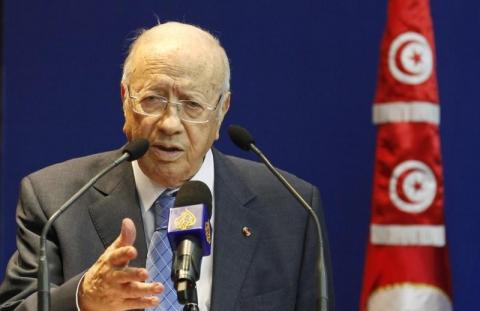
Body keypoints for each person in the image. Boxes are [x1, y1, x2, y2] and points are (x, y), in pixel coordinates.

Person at [0, 22, 333, 310]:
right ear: (125, 101)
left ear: (221, 111)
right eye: (153, 99)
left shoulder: (293, 209)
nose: (170, 123)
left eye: (191, 104)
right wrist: (82, 299)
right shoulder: (55, 201)